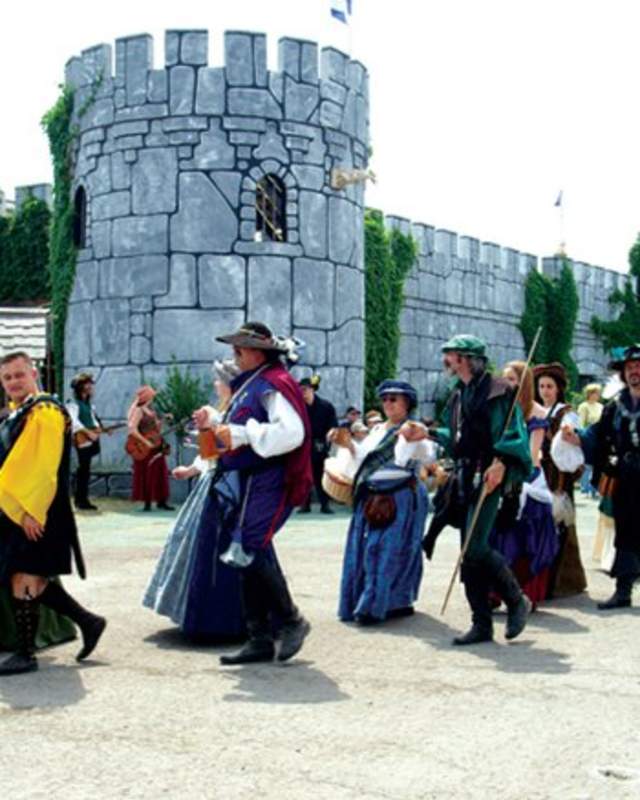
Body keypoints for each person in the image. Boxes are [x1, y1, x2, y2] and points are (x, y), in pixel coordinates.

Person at [192, 321, 313, 665]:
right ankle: (258, 637)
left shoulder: (274, 383)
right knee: (243, 552)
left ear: (259, 352)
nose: (235, 355)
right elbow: (238, 425)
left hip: (269, 477)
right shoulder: (254, 384)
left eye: (240, 349)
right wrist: (215, 419)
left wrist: (244, 434)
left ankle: (291, 620)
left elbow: (292, 434)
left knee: (250, 546)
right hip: (248, 478)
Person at [0, 351, 106, 675]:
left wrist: (32, 511)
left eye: (19, 374)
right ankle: (89, 622)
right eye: (7, 378)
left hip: (37, 507)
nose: (14, 382)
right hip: (21, 506)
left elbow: (42, 464)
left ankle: (26, 654)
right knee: (26, 574)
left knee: (25, 577)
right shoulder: (21, 411)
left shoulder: (44, 410)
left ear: (33, 372)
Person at [424, 335, 533, 645]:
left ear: (467, 358)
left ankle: (516, 600)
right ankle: (481, 623)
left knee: (475, 547)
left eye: (452, 355)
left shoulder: (499, 389)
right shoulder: (460, 394)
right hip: (464, 476)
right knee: (468, 554)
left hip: (490, 474)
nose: (447, 359)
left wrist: (501, 461)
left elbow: (512, 430)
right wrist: (429, 432)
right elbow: (455, 434)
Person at [142, 359, 245, 639]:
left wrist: (212, 423)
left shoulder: (238, 412)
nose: (215, 384)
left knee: (219, 552)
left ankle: (224, 619)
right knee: (190, 543)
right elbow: (210, 452)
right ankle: (197, 612)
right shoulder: (222, 411)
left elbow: (232, 448)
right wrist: (191, 469)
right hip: (211, 481)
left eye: (219, 380)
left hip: (229, 488)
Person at [334, 380, 436, 624]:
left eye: (394, 399)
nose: (388, 403)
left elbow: (418, 456)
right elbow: (362, 458)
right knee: (366, 550)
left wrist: (411, 437)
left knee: (392, 550)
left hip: (401, 496)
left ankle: (389, 603)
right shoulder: (378, 431)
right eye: (385, 399)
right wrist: (348, 445)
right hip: (372, 496)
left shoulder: (413, 428)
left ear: (407, 403)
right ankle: (366, 601)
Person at [564, 344, 640, 609]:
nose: (635, 372)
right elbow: (597, 433)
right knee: (626, 531)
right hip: (626, 478)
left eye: (639, 367)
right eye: (630, 368)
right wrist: (577, 438)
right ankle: (623, 591)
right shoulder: (616, 405)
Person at [490, 361, 559, 607]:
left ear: (523, 382)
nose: (507, 383)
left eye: (511, 379)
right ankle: (495, 593)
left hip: (528, 481)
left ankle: (524, 593)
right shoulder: (500, 410)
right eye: (504, 378)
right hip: (500, 477)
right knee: (497, 538)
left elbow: (532, 453)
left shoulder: (537, 413)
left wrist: (508, 462)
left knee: (524, 541)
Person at [533, 363, 587, 598]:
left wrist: (558, 436)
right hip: (539, 473)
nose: (545, 390)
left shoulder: (566, 413)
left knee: (560, 527)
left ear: (558, 389)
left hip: (559, 475)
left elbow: (572, 450)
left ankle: (562, 582)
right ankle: (539, 580)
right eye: (542, 386)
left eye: (550, 386)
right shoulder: (536, 410)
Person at [127, 386, 174, 512]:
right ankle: (147, 502)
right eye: (151, 395)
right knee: (147, 473)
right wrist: (145, 442)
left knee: (160, 471)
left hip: (156, 443)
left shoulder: (150, 409)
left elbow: (154, 426)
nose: (153, 397)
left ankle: (161, 501)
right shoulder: (138, 410)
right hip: (146, 447)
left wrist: (163, 419)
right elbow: (132, 428)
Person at [298, 375, 338, 514]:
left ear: (312, 390)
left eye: (305, 390)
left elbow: (333, 425)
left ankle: (325, 504)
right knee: (303, 477)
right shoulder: (298, 407)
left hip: (320, 445)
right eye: (301, 390)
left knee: (320, 476)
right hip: (302, 446)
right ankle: (305, 504)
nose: (303, 393)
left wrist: (331, 433)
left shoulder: (326, 406)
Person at [66, 372, 101, 510]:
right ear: (81, 386)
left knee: (85, 470)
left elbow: (92, 419)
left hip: (90, 438)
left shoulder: (87, 404)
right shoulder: (73, 403)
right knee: (83, 470)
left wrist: (98, 429)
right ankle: (80, 500)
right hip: (82, 439)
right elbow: (74, 422)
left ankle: (83, 499)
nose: (91, 386)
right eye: (88, 384)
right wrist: (89, 433)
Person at [577, 383, 603, 498]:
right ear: (589, 394)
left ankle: (594, 488)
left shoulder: (601, 406)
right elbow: (581, 423)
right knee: (587, 463)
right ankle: (585, 488)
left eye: (598, 393)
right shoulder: (584, 406)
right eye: (594, 393)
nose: (597, 395)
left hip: (599, 436)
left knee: (598, 463)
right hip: (588, 435)